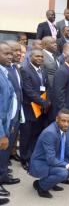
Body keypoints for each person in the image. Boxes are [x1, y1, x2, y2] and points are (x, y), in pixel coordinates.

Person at [29, 109, 69, 198]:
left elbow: (68, 148)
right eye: (63, 121)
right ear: (57, 119)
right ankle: (40, 186)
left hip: (57, 158)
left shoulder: (67, 129)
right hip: (42, 162)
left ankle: (54, 182)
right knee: (63, 172)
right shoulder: (50, 133)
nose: (66, 124)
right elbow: (51, 159)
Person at [20, 49, 51, 170]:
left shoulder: (43, 69)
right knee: (26, 135)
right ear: (31, 57)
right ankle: (24, 159)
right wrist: (44, 102)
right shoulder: (25, 70)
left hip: (40, 109)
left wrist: (47, 100)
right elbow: (28, 90)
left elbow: (47, 86)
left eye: (41, 57)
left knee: (35, 134)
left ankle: (32, 155)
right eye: (37, 56)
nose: (40, 58)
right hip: (29, 108)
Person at [0, 42, 17, 206]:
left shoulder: (4, 72)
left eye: (10, 53)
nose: (10, 56)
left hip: (6, 124)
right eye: (6, 54)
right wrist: (2, 134)